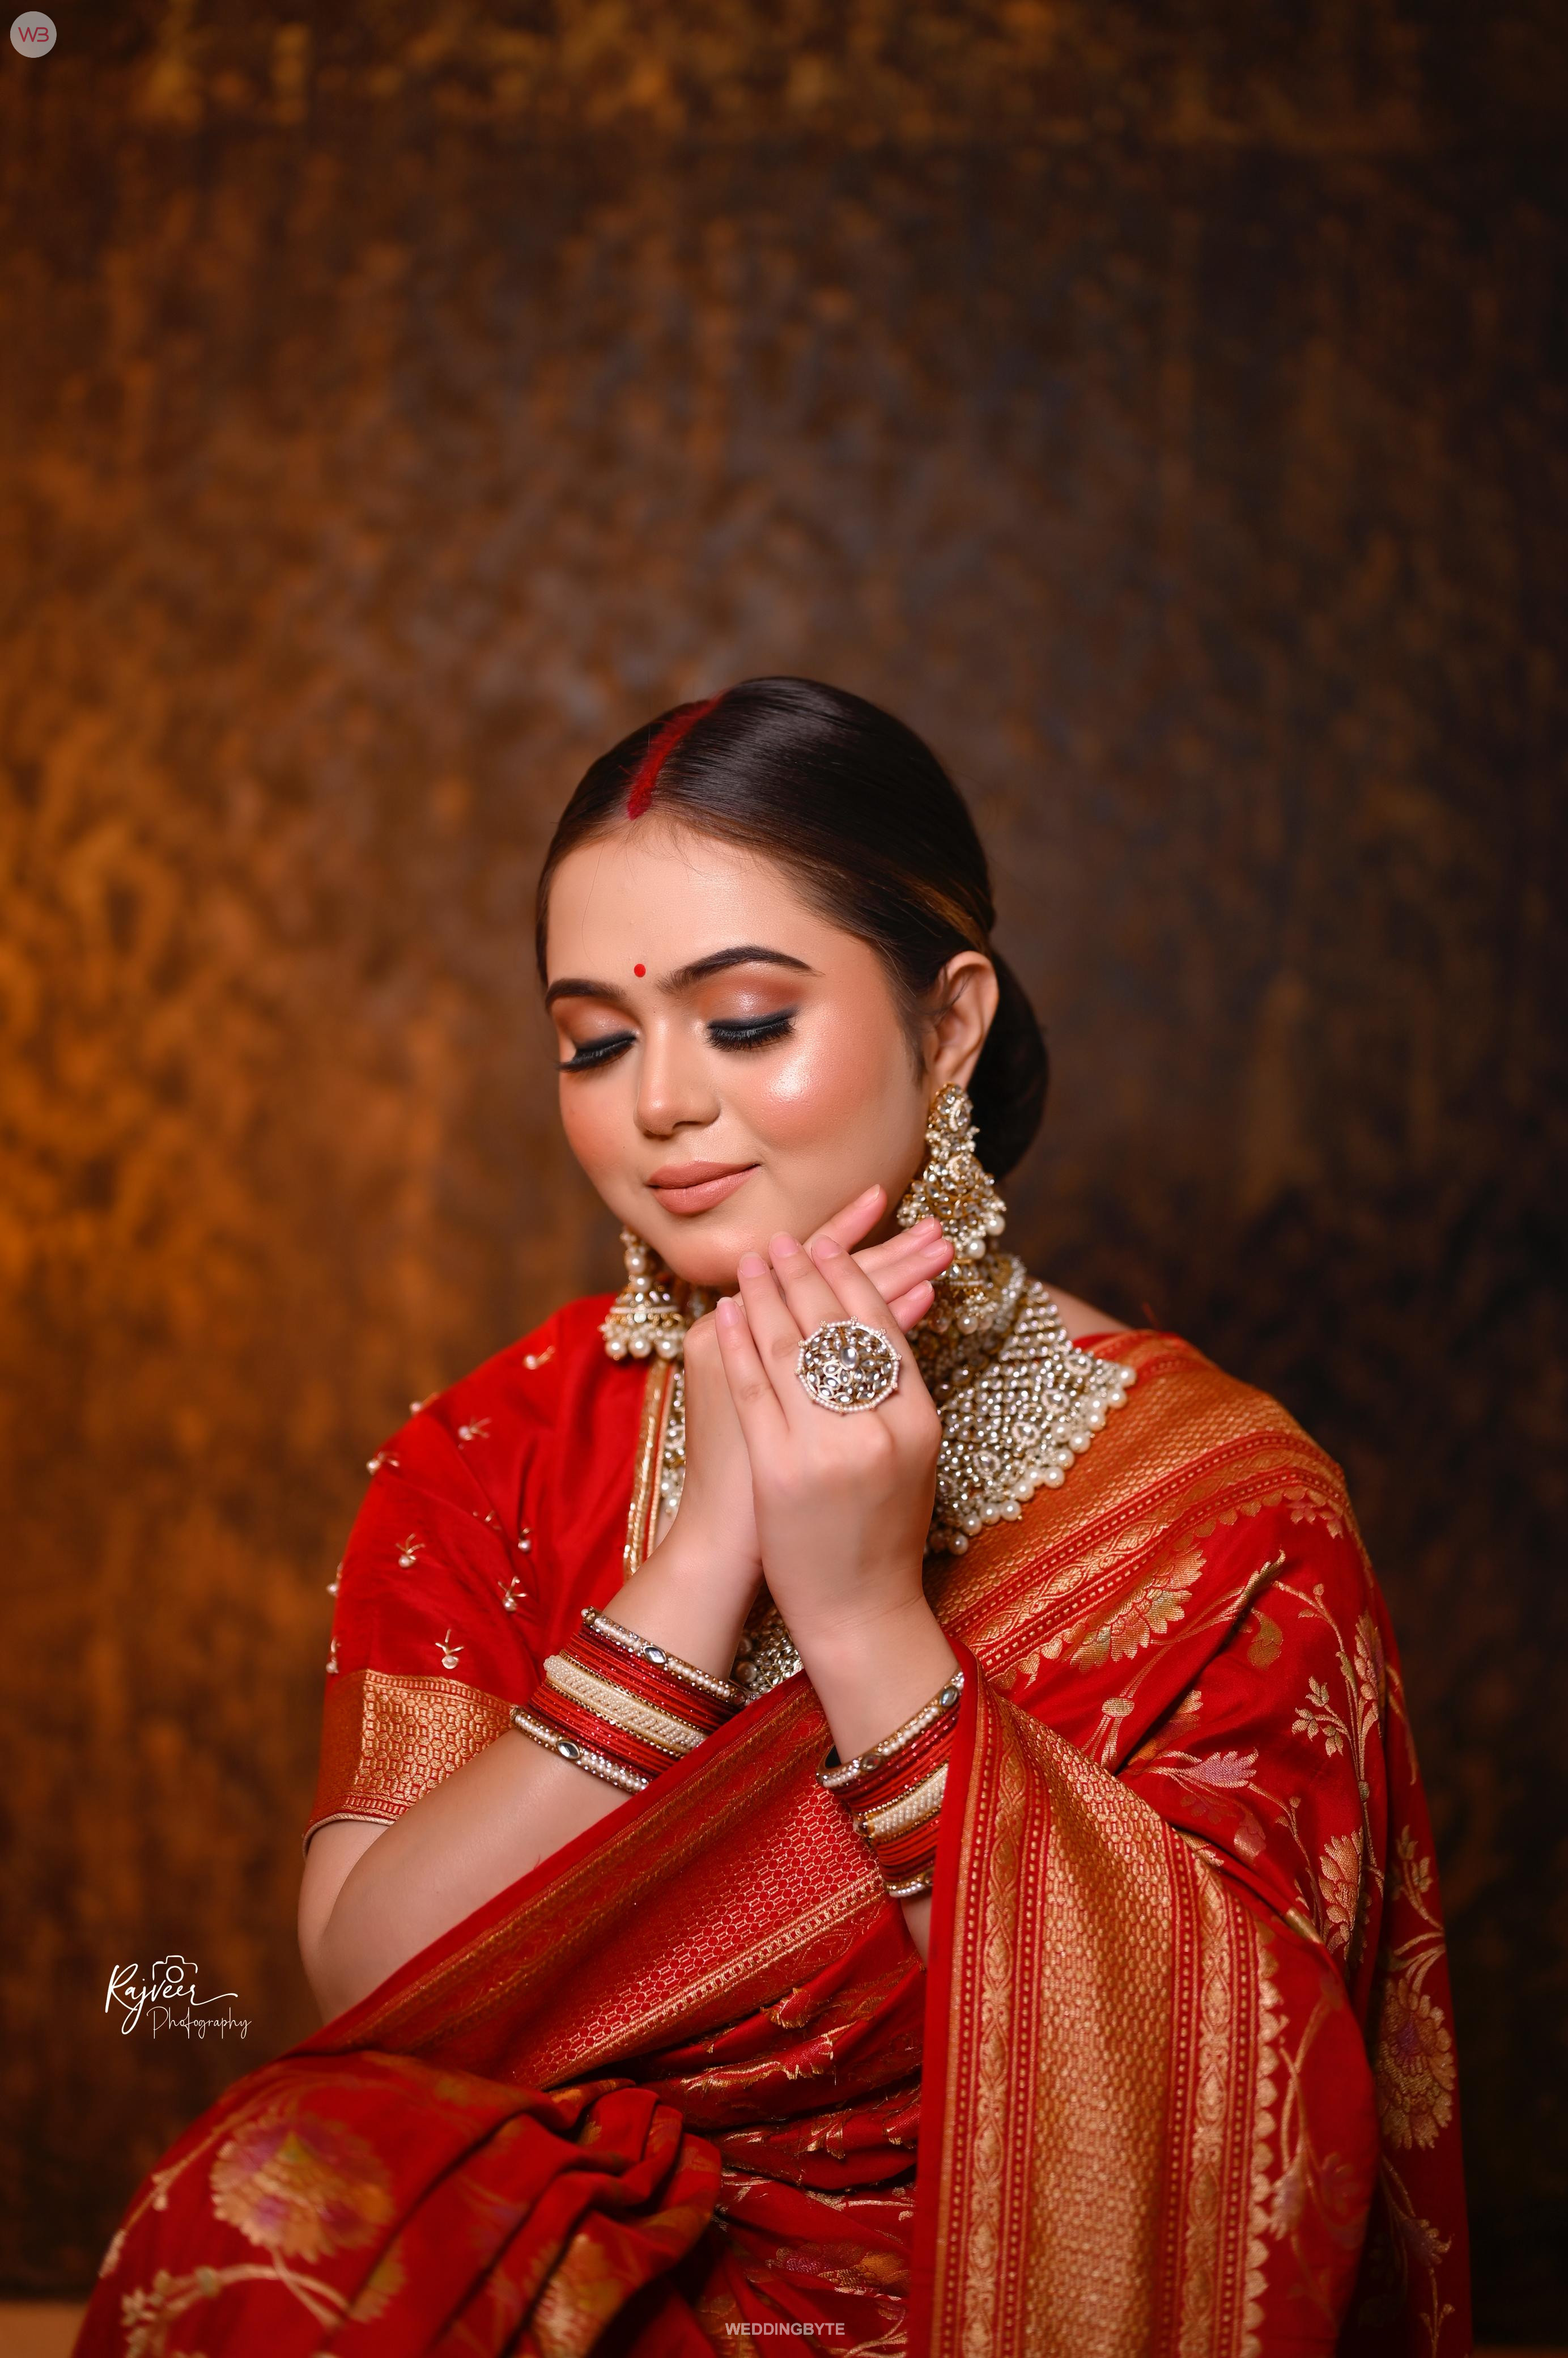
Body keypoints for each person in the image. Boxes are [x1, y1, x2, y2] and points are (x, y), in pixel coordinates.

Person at [77, 678, 1470, 2356]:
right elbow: (377, 1996)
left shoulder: (1213, 1504)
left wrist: (867, 1617)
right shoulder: (499, 1448)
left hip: (983, 2299)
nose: (659, 1102)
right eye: (595, 1041)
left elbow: (1226, 2125)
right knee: (262, 2203)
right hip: (583, 2268)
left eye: (743, 1022)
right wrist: (697, 1567)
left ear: (949, 1027)